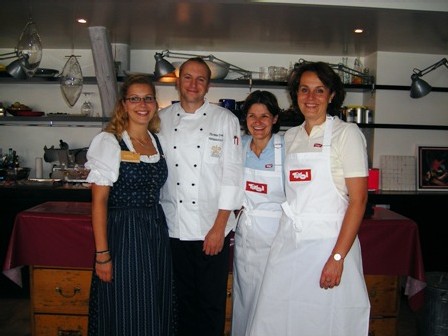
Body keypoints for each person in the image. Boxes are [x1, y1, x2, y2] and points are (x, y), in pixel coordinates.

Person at [249, 61, 371, 336]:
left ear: (331, 95)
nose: (311, 98)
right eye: (304, 90)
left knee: (325, 320)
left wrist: (337, 257)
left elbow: (359, 201)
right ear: (296, 95)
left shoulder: (346, 134)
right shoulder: (290, 136)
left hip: (329, 244)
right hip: (290, 244)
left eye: (319, 90)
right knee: (278, 315)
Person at [157, 57, 243, 336]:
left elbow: (233, 175)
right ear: (179, 81)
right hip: (173, 226)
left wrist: (219, 227)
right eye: (188, 78)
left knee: (210, 304)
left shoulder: (225, 119)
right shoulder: (161, 120)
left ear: (208, 86)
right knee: (179, 302)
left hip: (211, 227)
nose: (193, 84)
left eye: (201, 79)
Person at [85, 74, 175, 336]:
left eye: (148, 98)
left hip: (155, 231)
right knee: (128, 304)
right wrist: (102, 255)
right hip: (124, 234)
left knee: (154, 301)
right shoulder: (109, 142)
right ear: (123, 104)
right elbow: (99, 202)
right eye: (134, 98)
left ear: (155, 104)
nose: (142, 104)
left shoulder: (157, 141)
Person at [232, 90, 286, 336]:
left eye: (264, 116)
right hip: (246, 233)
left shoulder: (287, 146)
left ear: (275, 119)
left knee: (274, 297)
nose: (257, 122)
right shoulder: (238, 146)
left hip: (278, 235)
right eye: (252, 116)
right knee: (246, 295)